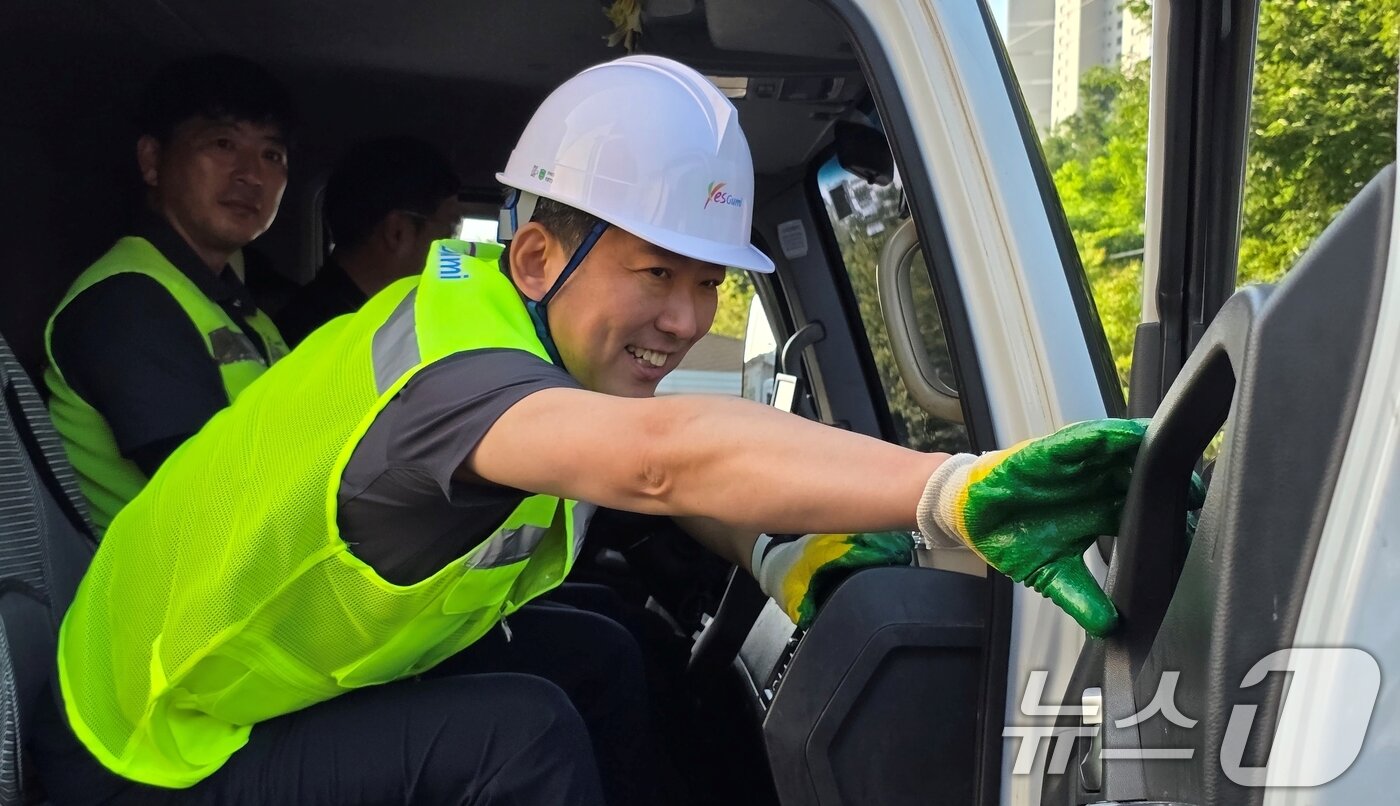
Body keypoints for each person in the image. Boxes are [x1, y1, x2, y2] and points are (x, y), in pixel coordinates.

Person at [41, 55, 1160, 804]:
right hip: (146, 738)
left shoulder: (506, 329)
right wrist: (948, 490)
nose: (684, 318)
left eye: (709, 283)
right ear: (538, 257)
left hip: (239, 681)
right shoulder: (454, 372)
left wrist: (802, 550)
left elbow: (674, 461)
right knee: (518, 732)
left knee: (596, 648)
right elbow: (665, 464)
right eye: (654, 271)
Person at [43, 54, 295, 535]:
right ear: (152, 161)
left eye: (272, 155)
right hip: (173, 604)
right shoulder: (128, 303)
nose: (251, 174)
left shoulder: (237, 307)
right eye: (223, 144)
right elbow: (213, 503)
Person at [275, 136, 464, 346]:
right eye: (449, 232)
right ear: (397, 232)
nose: (453, 250)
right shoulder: (341, 338)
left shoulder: (315, 314)